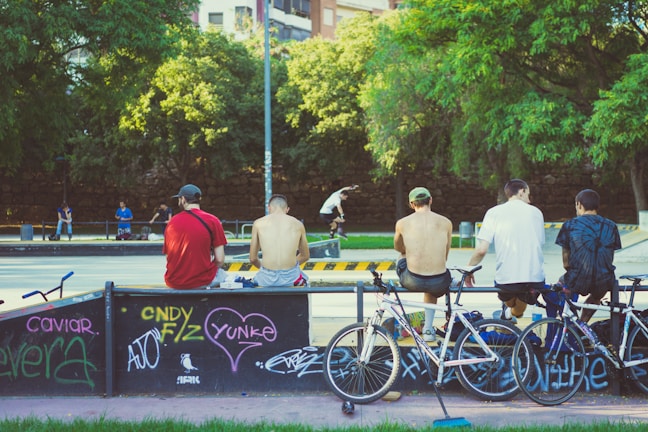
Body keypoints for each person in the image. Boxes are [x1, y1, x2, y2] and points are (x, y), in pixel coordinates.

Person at [467, 179, 545, 321]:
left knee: (510, 299)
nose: (529, 199)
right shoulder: (536, 213)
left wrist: (468, 269)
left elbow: (481, 250)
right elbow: (539, 243)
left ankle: (507, 311)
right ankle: (509, 313)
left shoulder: (493, 213)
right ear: (521, 191)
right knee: (519, 311)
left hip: (506, 279)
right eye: (528, 194)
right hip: (533, 277)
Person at [394, 187, 453, 342]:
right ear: (431, 200)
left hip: (412, 280)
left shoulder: (402, 223)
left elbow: (398, 248)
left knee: (401, 255)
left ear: (412, 204)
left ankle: (421, 325)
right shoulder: (446, 222)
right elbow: (445, 254)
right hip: (439, 281)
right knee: (432, 282)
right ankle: (428, 328)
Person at [555, 189, 621, 323]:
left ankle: (566, 320)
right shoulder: (611, 226)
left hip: (577, 278)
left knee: (560, 285)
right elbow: (610, 256)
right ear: (597, 206)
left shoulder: (569, 225)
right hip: (604, 280)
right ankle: (583, 323)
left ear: (579, 204)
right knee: (596, 296)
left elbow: (566, 262)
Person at [163, 184, 228, 289]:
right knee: (226, 277)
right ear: (199, 199)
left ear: (183, 199)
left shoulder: (172, 223)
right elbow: (220, 260)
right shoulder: (213, 221)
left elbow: (168, 256)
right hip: (202, 281)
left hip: (174, 282)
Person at [249, 194, 310, 287]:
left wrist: (266, 269)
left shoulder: (258, 223)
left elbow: (253, 258)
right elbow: (305, 256)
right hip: (291, 277)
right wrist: (291, 264)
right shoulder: (298, 224)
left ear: (268, 208)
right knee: (305, 280)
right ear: (287, 209)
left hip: (266, 278)